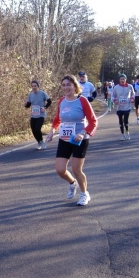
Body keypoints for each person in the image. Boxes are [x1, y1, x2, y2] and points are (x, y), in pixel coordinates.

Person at [45, 75, 98, 206]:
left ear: (75, 86)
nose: (66, 87)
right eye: (63, 85)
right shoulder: (61, 101)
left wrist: (83, 132)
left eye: (68, 84)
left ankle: (84, 193)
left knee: (76, 170)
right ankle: (72, 183)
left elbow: (93, 121)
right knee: (60, 169)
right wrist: (52, 132)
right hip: (64, 138)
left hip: (79, 139)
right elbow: (57, 119)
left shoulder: (82, 100)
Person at [24, 80, 52, 150]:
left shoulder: (42, 93)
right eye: (32, 86)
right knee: (33, 130)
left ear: (38, 86)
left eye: (35, 86)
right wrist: (25, 105)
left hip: (41, 114)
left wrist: (45, 107)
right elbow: (28, 105)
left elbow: (49, 101)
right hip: (33, 115)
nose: (34, 87)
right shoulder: (30, 94)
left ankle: (42, 142)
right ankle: (39, 142)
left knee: (37, 129)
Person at [112, 74, 135, 140]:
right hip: (119, 107)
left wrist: (132, 98)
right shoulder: (116, 87)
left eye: (123, 79)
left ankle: (127, 132)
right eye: (121, 79)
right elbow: (113, 96)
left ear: (125, 79)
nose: (122, 80)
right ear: (119, 80)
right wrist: (115, 100)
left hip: (127, 107)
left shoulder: (130, 86)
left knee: (125, 120)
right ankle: (122, 134)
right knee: (120, 121)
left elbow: (133, 94)